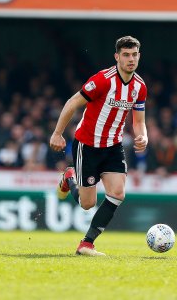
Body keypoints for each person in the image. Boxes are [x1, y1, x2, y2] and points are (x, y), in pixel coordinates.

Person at [49, 36, 148, 256]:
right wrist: (57, 133)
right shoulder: (103, 80)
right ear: (117, 57)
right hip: (88, 145)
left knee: (118, 193)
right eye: (126, 55)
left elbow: (139, 122)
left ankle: (87, 244)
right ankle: (69, 177)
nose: (131, 59)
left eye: (134, 55)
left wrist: (143, 137)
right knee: (87, 204)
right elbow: (73, 102)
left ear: (139, 56)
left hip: (113, 146)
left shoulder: (139, 87)